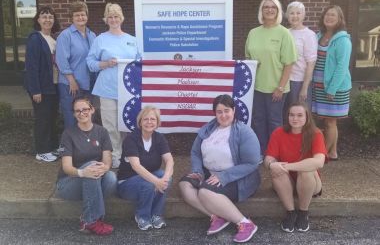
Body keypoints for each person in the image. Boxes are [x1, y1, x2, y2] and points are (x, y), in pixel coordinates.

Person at [179, 94, 261, 243]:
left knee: (204, 192)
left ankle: (244, 223)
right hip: (208, 172)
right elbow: (196, 152)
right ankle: (216, 217)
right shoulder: (209, 128)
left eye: (227, 110)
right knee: (185, 184)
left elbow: (252, 163)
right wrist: (197, 170)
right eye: (219, 112)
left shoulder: (244, 132)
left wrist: (224, 176)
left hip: (237, 177)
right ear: (215, 113)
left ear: (234, 110)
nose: (223, 115)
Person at [87, 3, 139, 168]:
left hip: (129, 90)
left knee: (127, 123)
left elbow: (141, 63)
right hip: (107, 89)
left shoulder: (133, 40)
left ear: (121, 18)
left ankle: (128, 154)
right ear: (106, 19)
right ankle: (114, 156)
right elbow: (90, 63)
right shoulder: (100, 39)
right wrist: (106, 63)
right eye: (110, 17)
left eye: (116, 16)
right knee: (110, 126)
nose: (113, 19)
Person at [55, 96, 116, 235]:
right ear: (74, 114)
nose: (82, 113)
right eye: (77, 111)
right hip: (68, 184)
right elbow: (67, 167)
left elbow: (107, 161)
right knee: (91, 165)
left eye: (85, 109)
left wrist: (105, 168)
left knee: (111, 178)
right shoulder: (68, 134)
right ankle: (90, 221)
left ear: (92, 110)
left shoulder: (102, 132)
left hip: (93, 179)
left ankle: (91, 214)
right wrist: (84, 172)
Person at [245, 0, 297, 157]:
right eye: (266, 7)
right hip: (257, 87)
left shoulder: (284, 33)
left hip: (277, 88)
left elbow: (289, 63)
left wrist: (280, 87)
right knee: (258, 121)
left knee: (275, 122)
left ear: (278, 11)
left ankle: (275, 153)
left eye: (273, 7)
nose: (269, 10)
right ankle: (261, 152)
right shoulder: (253, 33)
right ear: (261, 11)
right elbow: (248, 58)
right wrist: (254, 63)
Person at [265, 102, 327, 232]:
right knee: (276, 170)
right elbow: (268, 159)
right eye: (291, 115)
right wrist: (271, 164)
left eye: (299, 115)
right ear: (287, 117)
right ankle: (291, 213)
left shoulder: (316, 134)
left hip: (311, 183)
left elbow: (319, 162)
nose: (295, 118)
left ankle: (303, 213)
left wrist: (287, 167)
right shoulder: (278, 133)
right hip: (287, 183)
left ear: (307, 117)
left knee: (305, 171)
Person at [117, 106, 174, 230]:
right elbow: (136, 166)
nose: (149, 122)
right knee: (149, 184)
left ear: (157, 122)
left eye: (153, 119)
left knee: (167, 179)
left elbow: (169, 160)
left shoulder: (159, 138)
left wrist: (165, 178)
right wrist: (156, 182)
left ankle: (156, 215)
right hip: (127, 183)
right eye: (146, 119)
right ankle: (142, 216)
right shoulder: (131, 139)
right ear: (140, 122)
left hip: (148, 178)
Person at [312, 5, 352, 160]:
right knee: (327, 121)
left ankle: (323, 156)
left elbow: (342, 66)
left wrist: (332, 89)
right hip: (319, 85)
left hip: (334, 87)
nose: (329, 18)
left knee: (330, 122)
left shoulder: (343, 40)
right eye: (327, 15)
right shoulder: (318, 36)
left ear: (339, 19)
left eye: (333, 15)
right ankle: (333, 152)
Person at [24, 6, 61, 162]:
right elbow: (31, 66)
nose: (47, 20)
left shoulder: (54, 39)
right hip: (41, 88)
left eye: (50, 17)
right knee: (43, 119)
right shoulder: (35, 38)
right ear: (38, 20)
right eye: (44, 16)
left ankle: (51, 147)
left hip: (53, 86)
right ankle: (42, 151)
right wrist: (35, 90)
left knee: (52, 117)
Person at [56, 1, 96, 129]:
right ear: (72, 18)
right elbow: (61, 61)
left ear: (87, 16)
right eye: (77, 15)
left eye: (83, 15)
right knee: (72, 118)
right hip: (70, 85)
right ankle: (70, 147)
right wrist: (71, 81)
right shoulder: (65, 36)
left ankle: (84, 147)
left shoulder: (92, 35)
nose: (80, 18)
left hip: (88, 84)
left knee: (86, 118)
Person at [284, 1, 318, 111]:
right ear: (287, 15)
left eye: (298, 13)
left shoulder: (309, 35)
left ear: (303, 15)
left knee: (299, 114)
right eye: (291, 13)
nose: (295, 16)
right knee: (286, 114)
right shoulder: (285, 33)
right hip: (284, 80)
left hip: (298, 82)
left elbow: (311, 63)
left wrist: (304, 87)